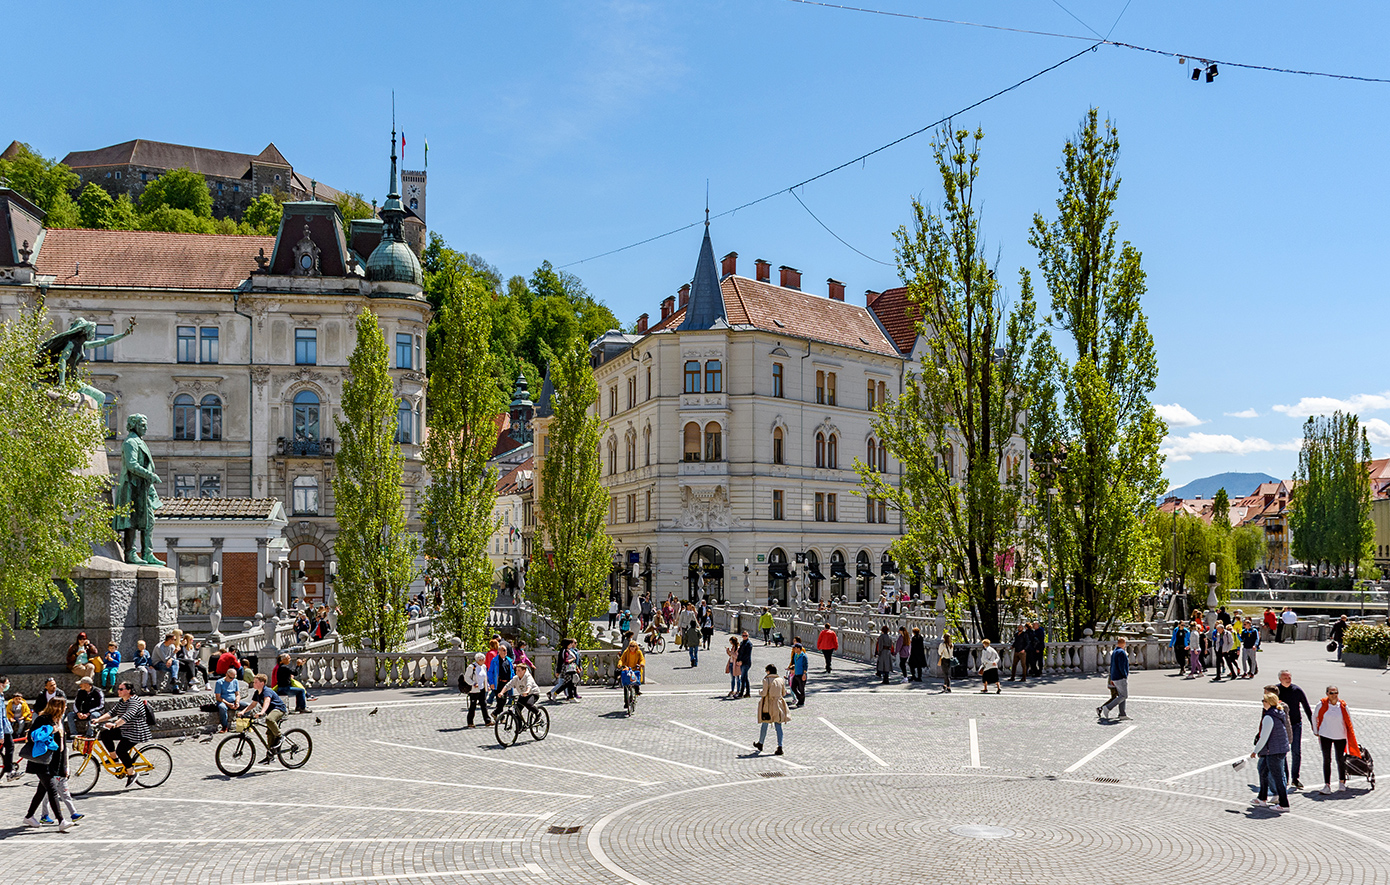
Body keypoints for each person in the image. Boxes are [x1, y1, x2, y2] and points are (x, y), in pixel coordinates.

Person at [21, 698, 71, 832]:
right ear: (58, 707)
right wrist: (51, 731)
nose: (66, 708)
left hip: (54, 761)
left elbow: (63, 746)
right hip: (41, 761)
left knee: (41, 790)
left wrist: (64, 766)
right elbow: (32, 736)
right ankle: (61, 821)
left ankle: (29, 816)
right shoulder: (43, 719)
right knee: (52, 789)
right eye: (64, 706)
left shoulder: (59, 721)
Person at [92, 682, 150, 785]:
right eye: (118, 689)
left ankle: (132, 773)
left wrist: (115, 724)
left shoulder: (134, 701)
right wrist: (98, 720)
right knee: (105, 734)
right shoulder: (122, 701)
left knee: (121, 750)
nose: (118, 691)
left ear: (129, 690)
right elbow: (112, 713)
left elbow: (128, 715)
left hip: (136, 731)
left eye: (121, 689)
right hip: (124, 729)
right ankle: (114, 759)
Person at [1313, 685, 1361, 794]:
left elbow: (1349, 720)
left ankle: (1342, 782)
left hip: (1340, 735)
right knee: (1327, 759)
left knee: (1340, 759)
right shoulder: (1321, 705)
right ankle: (1327, 785)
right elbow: (1314, 717)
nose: (1334, 695)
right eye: (1331, 693)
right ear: (1327, 694)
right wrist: (1316, 731)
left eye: (1336, 693)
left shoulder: (1343, 706)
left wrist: (1350, 734)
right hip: (1325, 734)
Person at [1249, 690, 1291, 810]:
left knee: (1277, 777)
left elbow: (1264, 737)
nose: (1262, 703)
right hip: (1275, 749)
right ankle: (1262, 798)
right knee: (1263, 771)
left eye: (1264, 701)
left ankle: (1284, 803)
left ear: (1269, 702)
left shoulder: (1269, 717)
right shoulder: (1277, 713)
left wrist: (1255, 751)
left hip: (1273, 751)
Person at [1277, 670, 1314, 790]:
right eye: (1285, 678)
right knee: (1283, 751)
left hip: (1296, 724)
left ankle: (1295, 778)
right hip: (1282, 725)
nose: (1288, 679)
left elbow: (1306, 707)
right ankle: (1285, 778)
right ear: (1280, 679)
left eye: (1289, 677)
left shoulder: (1297, 690)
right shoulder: (1276, 691)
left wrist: (1313, 724)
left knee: (1296, 751)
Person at [237, 674, 287, 764]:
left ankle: (280, 736)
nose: (254, 683)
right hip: (270, 711)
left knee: (269, 720)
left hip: (279, 709)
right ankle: (271, 755)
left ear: (262, 683)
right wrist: (243, 712)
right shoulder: (257, 693)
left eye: (256, 682)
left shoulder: (267, 691)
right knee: (269, 733)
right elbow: (252, 704)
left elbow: (267, 701)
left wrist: (262, 712)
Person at [753, 664, 791, 755]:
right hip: (778, 705)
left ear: (768, 671)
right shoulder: (780, 680)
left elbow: (764, 693)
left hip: (769, 704)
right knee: (778, 725)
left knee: (765, 723)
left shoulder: (766, 680)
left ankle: (761, 743)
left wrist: (760, 692)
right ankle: (780, 746)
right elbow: (784, 693)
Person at [498, 661, 542, 726]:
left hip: (533, 693)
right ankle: (520, 726)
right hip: (523, 694)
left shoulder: (528, 676)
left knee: (528, 704)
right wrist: (501, 692)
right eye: (516, 670)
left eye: (519, 670)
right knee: (517, 710)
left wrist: (527, 691)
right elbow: (508, 685)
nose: (517, 672)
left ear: (524, 671)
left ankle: (538, 714)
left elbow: (529, 685)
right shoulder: (515, 678)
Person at [1098, 637, 1130, 720]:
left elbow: (1112, 666)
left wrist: (1112, 678)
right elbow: (1122, 666)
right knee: (1124, 695)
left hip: (1115, 677)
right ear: (1123, 643)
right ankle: (1108, 707)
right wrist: (1125, 675)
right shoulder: (1121, 652)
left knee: (1120, 695)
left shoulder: (1115, 652)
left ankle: (1122, 714)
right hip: (1120, 677)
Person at [211, 667, 241, 732]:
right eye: (230, 678)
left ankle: (244, 723)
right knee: (222, 708)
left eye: (234, 678)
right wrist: (228, 704)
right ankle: (224, 726)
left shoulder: (235, 681)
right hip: (223, 701)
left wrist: (237, 702)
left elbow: (238, 694)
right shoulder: (219, 682)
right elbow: (218, 697)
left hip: (233, 701)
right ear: (226, 675)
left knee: (247, 705)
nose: (232, 679)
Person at [465, 653, 492, 727]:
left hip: (482, 688)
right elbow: (467, 677)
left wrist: (487, 685)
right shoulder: (471, 667)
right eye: (483, 659)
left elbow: (485, 678)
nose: (484, 661)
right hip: (474, 690)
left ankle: (487, 721)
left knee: (484, 705)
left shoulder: (483, 666)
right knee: (473, 706)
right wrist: (473, 683)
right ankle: (470, 722)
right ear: (479, 660)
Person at [788, 642, 808, 707]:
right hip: (796, 674)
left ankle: (801, 702)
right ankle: (799, 698)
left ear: (799, 649)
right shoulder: (795, 655)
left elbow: (805, 666)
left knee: (801, 689)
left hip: (801, 674)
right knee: (793, 687)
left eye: (795, 648)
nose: (794, 649)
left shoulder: (804, 656)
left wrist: (804, 674)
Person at [737, 631, 754, 698]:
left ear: (748, 636)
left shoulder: (749, 644)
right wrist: (738, 660)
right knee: (745, 678)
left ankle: (741, 693)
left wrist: (741, 661)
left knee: (743, 678)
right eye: (743, 635)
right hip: (741, 662)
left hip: (746, 663)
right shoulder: (741, 643)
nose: (745, 637)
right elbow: (739, 653)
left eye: (746, 635)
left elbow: (747, 655)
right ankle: (747, 693)